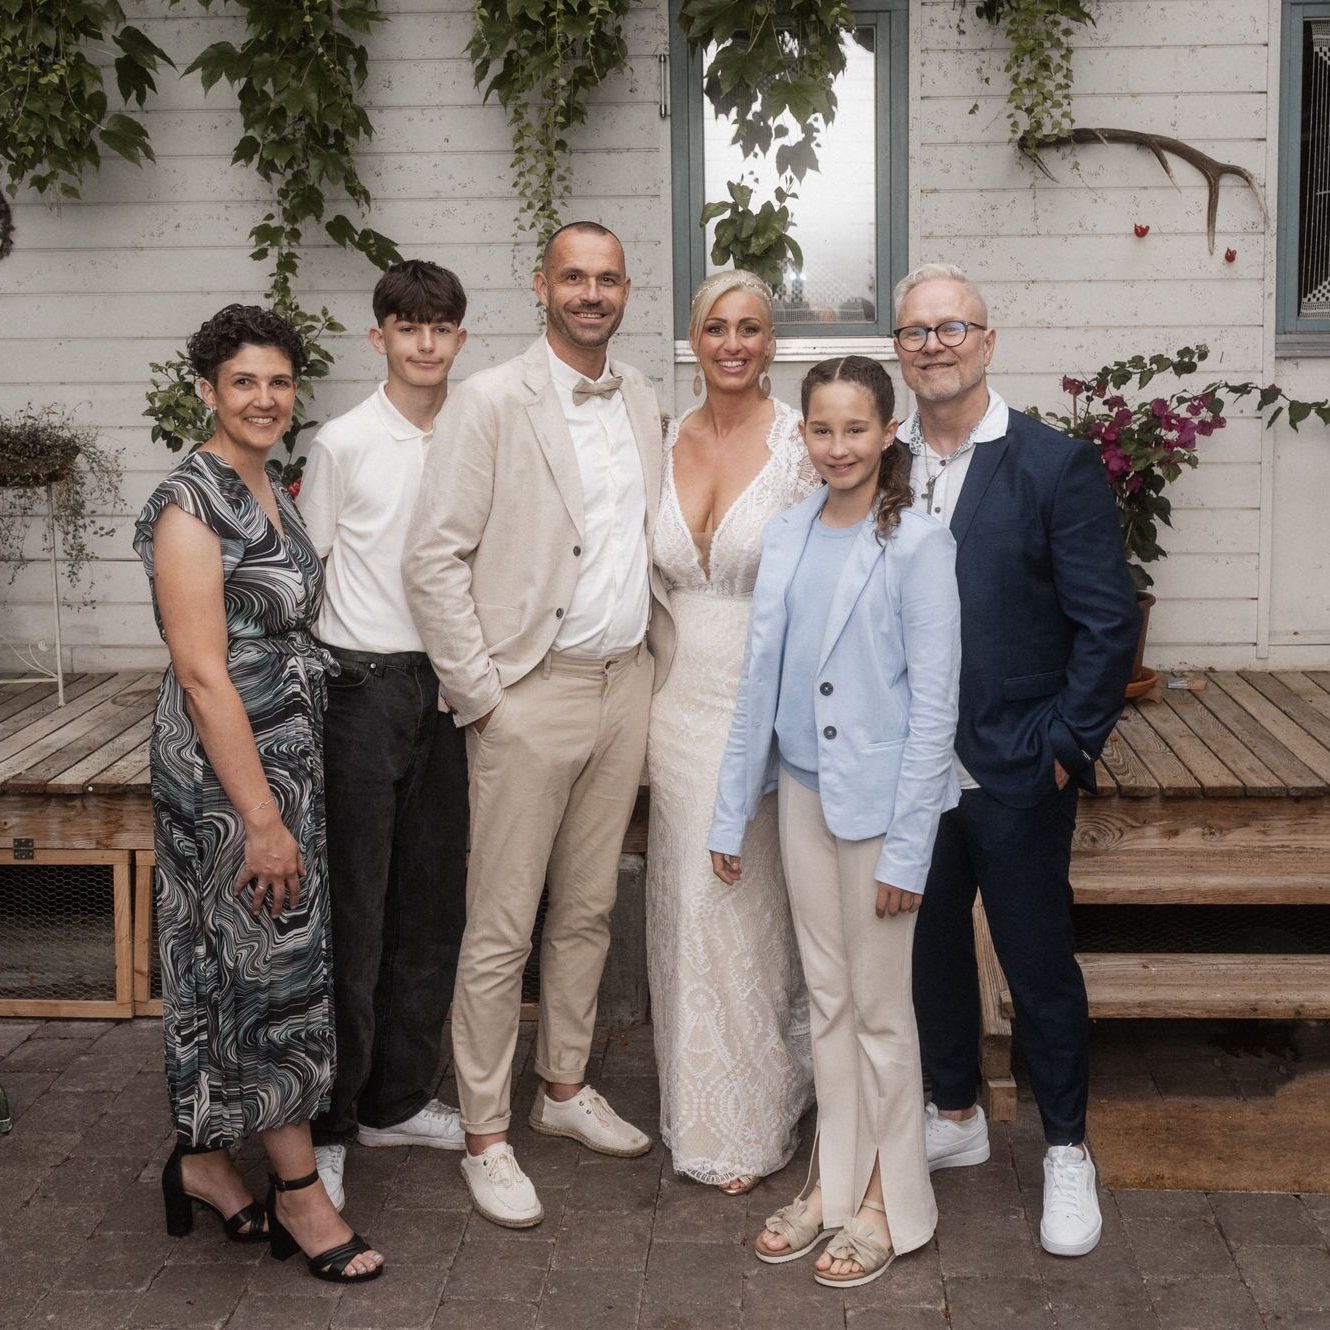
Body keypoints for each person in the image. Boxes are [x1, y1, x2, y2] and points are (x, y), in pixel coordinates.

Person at [401, 221, 675, 1229]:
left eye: (607, 278)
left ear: (625, 289)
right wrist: (483, 695)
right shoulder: (487, 401)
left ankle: (561, 1091)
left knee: (590, 908)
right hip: (529, 691)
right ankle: (484, 1130)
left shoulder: (643, 397)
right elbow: (433, 557)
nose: (591, 293)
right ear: (541, 287)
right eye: (574, 276)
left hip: (625, 685)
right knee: (501, 923)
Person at [135, 304, 384, 1282]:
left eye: (279, 381)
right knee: (269, 965)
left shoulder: (268, 483)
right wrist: (264, 816)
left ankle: (203, 1158)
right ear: (206, 389)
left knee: (223, 961)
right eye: (244, 381)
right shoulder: (190, 503)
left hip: (283, 756)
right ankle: (298, 1193)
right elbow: (202, 671)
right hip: (228, 771)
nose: (265, 398)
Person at [897, 263, 1139, 1257]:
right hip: (913, 767)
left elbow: (1106, 619)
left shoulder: (1049, 463)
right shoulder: (883, 461)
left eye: (953, 327)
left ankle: (1067, 1149)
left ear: (987, 343)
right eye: (915, 331)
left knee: (1038, 962)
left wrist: (1066, 745)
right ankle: (953, 1112)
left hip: (1015, 763)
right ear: (899, 352)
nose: (934, 343)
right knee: (929, 949)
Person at [709, 355, 961, 1289]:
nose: (840, 446)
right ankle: (835, 1181)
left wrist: (910, 847)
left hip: (882, 810)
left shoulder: (919, 545)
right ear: (802, 437)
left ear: (888, 432)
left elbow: (936, 710)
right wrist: (733, 815)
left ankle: (896, 1202)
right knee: (827, 1000)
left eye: (857, 428)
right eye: (822, 430)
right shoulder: (788, 532)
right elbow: (760, 688)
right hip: (805, 800)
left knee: (882, 1012)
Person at [296, 261, 471, 1212]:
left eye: (441, 327)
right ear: (380, 339)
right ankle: (329, 1119)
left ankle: (397, 1099)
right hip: (361, 688)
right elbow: (311, 568)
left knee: (431, 904)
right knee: (355, 913)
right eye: (407, 328)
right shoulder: (345, 443)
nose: (425, 344)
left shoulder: (478, 430)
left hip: (448, 689)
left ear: (461, 338)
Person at [646, 269, 817, 1195]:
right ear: (692, 336)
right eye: (717, 326)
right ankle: (700, 1104)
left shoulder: (800, 444)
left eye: (752, 327)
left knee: (746, 909)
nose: (734, 344)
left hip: (766, 705)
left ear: (771, 342)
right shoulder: (662, 437)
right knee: (685, 908)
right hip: (674, 711)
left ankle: (755, 1114)